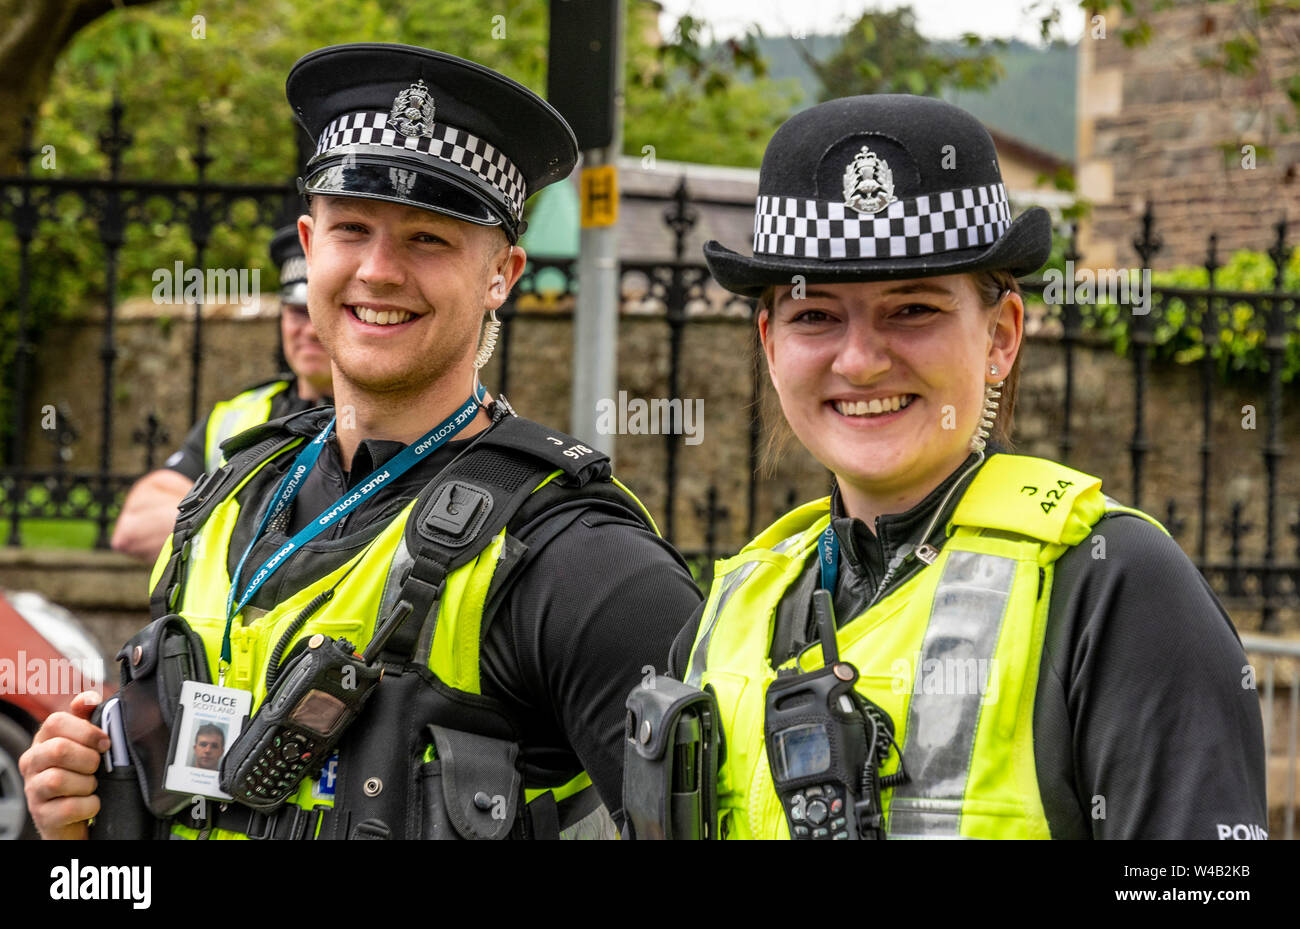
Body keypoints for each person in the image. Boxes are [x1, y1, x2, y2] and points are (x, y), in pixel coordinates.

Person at [22, 42, 700, 840]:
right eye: (352, 228)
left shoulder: (583, 560)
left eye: (428, 238)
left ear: (503, 275)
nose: (378, 271)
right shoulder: (225, 501)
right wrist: (75, 824)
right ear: (310, 245)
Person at [646, 94, 1268, 840]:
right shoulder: (729, 609)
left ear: (1002, 336)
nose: (860, 360)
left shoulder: (1113, 585)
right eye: (815, 315)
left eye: (913, 309)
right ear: (771, 346)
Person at [110, 227, 333, 563]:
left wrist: (208, 514)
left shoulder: (384, 417)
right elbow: (134, 527)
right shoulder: (238, 414)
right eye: (298, 312)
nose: (310, 330)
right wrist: (268, 527)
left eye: (321, 312)